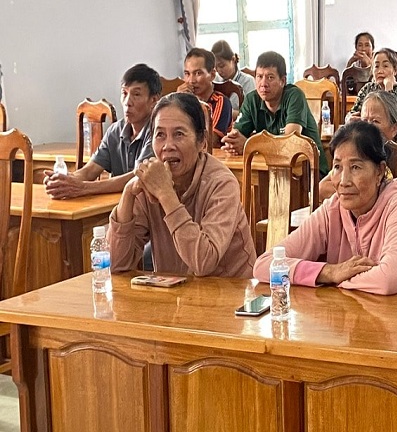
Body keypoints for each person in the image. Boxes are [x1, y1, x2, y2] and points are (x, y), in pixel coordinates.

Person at [253, 120, 397, 296]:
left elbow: (389, 280)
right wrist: (329, 272)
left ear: (379, 171)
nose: (344, 181)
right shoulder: (332, 209)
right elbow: (265, 265)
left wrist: (334, 281)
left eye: (355, 167)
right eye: (337, 167)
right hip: (355, 314)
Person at [108, 93, 256, 277]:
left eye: (179, 134)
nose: (168, 146)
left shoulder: (222, 183)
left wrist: (166, 195)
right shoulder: (149, 183)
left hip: (231, 295)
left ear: (201, 141)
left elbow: (203, 263)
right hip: (176, 297)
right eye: (160, 135)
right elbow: (115, 265)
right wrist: (128, 194)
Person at [43, 64, 162, 199]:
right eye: (124, 93)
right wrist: (64, 180)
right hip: (119, 208)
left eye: (136, 94)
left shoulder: (158, 132)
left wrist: (84, 188)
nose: (128, 102)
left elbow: (139, 177)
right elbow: (90, 170)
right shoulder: (115, 131)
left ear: (153, 100)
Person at [222, 51, 329, 175]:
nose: (263, 84)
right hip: (271, 169)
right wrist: (233, 143)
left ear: (283, 81)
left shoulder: (294, 96)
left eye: (270, 77)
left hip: (308, 171)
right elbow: (237, 135)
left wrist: (249, 144)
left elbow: (290, 140)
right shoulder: (252, 99)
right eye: (259, 76)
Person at [321, 91, 397, 207]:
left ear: (394, 128)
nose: (368, 128)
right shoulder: (359, 149)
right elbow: (322, 188)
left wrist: (362, 193)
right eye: (364, 121)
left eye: (375, 121)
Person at [348, 48, 397, 145]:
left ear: (395, 70)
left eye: (385, 66)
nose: (380, 71)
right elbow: (352, 113)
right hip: (370, 139)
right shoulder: (367, 89)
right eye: (376, 66)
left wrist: (388, 89)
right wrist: (350, 119)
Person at [177, 47, 232, 148]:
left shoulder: (221, 102)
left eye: (198, 73)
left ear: (212, 75)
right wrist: (178, 103)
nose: (191, 80)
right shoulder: (184, 101)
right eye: (187, 74)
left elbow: (210, 141)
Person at [210, 40, 256, 110]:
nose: (219, 71)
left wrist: (228, 113)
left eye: (222, 66)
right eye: (215, 67)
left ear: (233, 59)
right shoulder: (214, 80)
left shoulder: (248, 81)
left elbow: (253, 112)